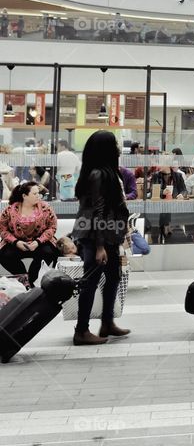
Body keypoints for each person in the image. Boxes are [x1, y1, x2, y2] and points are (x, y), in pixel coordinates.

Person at [72, 130, 131, 345]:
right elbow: (98, 211)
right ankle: (81, 330)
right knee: (91, 281)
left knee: (114, 277)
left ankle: (107, 322)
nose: (117, 147)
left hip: (108, 234)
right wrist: (99, 246)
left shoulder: (107, 172)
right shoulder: (98, 174)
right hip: (97, 236)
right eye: (114, 143)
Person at [0, 181, 59, 285]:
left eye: (39, 193)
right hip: (17, 243)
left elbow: (52, 227)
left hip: (40, 242)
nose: (39, 196)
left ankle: (32, 279)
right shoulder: (10, 209)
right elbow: (2, 229)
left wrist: (38, 242)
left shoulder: (45, 208)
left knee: (48, 253)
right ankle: (23, 278)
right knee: (4, 255)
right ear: (24, 196)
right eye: (35, 194)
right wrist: (16, 242)